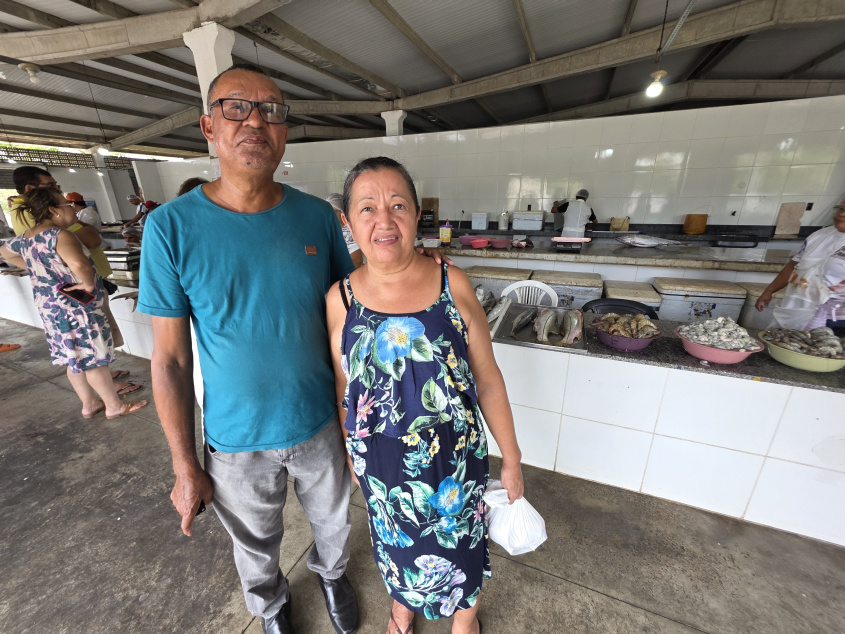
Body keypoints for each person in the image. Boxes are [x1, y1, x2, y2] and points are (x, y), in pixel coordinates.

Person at [138, 63, 361, 634]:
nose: (256, 120)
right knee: (254, 544)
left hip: (322, 424)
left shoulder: (316, 216)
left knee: (335, 523)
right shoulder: (170, 228)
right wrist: (185, 465)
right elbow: (168, 360)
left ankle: (332, 575)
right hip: (235, 441)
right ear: (208, 126)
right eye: (237, 107)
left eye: (272, 109)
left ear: (285, 131)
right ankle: (270, 606)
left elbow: (353, 315)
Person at [326, 157, 525, 634]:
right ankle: (402, 608)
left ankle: (465, 618)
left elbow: (488, 377)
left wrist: (512, 458)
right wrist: (350, 446)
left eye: (398, 205)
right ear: (348, 222)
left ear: (417, 215)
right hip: (381, 460)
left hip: (454, 459)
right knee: (394, 545)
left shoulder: (451, 284)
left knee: (462, 543)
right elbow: (344, 386)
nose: (384, 220)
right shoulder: (340, 299)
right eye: (367, 208)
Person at [0, 187, 147, 419]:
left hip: (51, 308)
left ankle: (89, 404)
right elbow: (80, 265)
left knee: (75, 358)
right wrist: (88, 284)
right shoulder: (60, 235)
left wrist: (40, 269)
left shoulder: (28, 236)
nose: (72, 211)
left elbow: (4, 252)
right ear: (53, 210)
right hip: (77, 308)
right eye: (67, 206)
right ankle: (114, 406)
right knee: (95, 360)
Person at [757, 203, 845, 332]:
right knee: (784, 346)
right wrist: (769, 291)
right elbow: (794, 266)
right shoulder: (819, 236)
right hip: (795, 308)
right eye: (841, 209)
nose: (842, 214)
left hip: (834, 319)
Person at [10, 165, 61, 235]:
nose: (59, 191)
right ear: (30, 189)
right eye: (51, 186)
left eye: (56, 185)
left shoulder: (22, 207)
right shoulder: (28, 211)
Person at [327, 193, 364, 268]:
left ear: (342, 212)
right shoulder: (329, 230)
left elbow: (356, 261)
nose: (330, 215)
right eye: (328, 211)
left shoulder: (350, 231)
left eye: (334, 211)